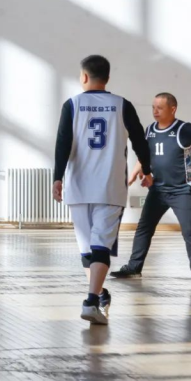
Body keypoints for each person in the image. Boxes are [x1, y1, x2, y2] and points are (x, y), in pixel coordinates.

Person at [53, 55, 152, 325]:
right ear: (107, 78)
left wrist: (57, 178)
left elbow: (62, 143)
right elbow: (140, 141)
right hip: (110, 187)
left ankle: (98, 295)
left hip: (78, 187)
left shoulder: (72, 104)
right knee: (100, 248)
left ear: (84, 76)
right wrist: (146, 169)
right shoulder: (122, 104)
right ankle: (92, 300)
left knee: (88, 250)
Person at [111, 92, 191, 283]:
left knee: (189, 230)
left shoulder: (184, 129)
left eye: (160, 108)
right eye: (153, 107)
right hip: (157, 190)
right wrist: (133, 175)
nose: (155, 111)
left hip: (181, 190)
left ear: (172, 109)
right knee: (144, 228)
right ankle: (134, 267)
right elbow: (144, 156)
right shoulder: (150, 130)